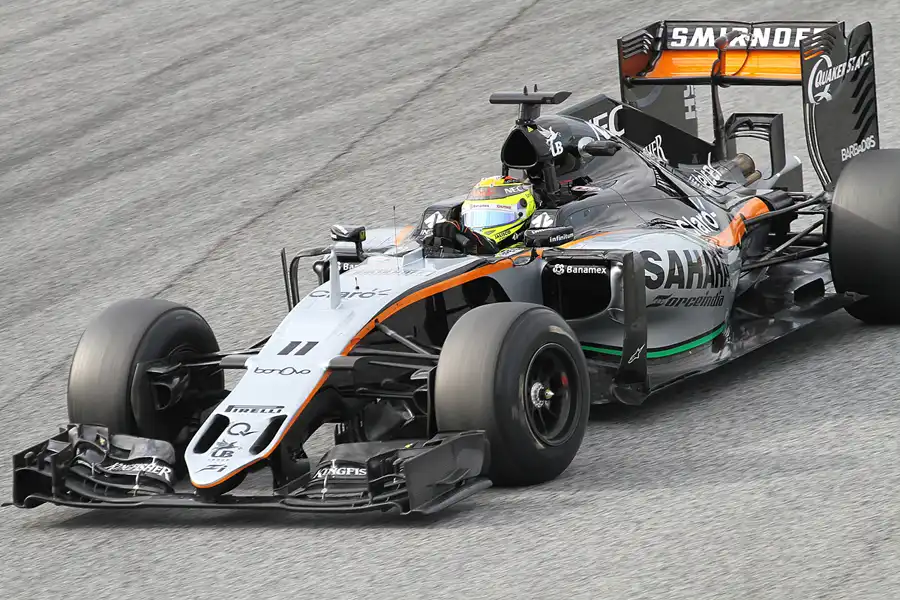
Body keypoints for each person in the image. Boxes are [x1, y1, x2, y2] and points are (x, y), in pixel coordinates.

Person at [425, 176, 538, 255]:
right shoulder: (469, 240)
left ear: (521, 215)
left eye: (495, 218)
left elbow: (493, 250)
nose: (483, 227)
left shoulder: (536, 246)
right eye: (475, 218)